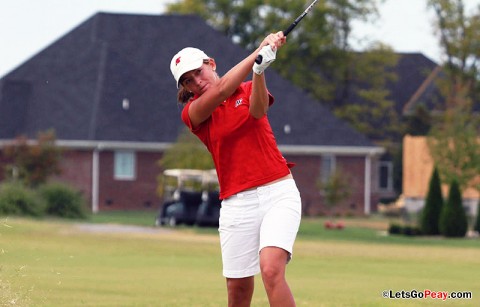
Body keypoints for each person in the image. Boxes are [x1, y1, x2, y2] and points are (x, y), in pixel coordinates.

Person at [170, 32, 302, 307]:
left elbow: (257, 110)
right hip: (236, 204)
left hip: (278, 192)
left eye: (198, 72)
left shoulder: (245, 89)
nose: (197, 82)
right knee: (238, 291)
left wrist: (259, 69)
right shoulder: (194, 112)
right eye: (188, 81)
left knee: (271, 269)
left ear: (212, 63)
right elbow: (220, 91)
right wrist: (259, 50)